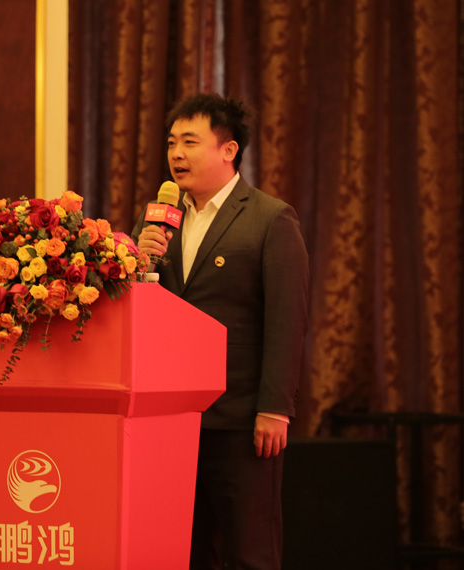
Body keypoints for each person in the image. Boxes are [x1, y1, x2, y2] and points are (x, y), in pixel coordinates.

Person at [132, 93, 309, 570]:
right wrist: (137, 264)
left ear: (228, 150)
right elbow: (141, 314)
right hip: (170, 418)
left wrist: (275, 408)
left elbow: (287, 320)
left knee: (248, 552)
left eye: (190, 142)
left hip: (240, 419)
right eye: (172, 142)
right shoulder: (157, 222)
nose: (176, 154)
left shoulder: (270, 219)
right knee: (182, 551)